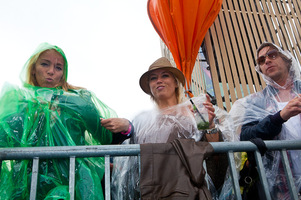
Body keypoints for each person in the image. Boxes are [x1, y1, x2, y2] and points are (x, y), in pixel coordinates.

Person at [0, 42, 133, 200]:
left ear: (63, 73)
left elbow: (105, 135)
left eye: (58, 67)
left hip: (74, 183)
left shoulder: (77, 101)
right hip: (29, 183)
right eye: (45, 64)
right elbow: (5, 140)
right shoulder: (19, 101)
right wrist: (33, 120)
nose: (51, 72)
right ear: (33, 69)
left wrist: (127, 126)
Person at [111, 57, 236, 199]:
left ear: (176, 82)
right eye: (153, 78)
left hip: (188, 189)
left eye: (165, 75)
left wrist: (210, 125)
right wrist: (125, 127)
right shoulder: (141, 120)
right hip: (150, 190)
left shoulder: (194, 109)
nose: (159, 80)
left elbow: (213, 148)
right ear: (150, 87)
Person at [229, 42, 301, 199]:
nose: (267, 61)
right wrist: (279, 117)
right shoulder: (256, 102)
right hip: (281, 187)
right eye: (261, 60)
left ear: (287, 60)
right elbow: (246, 136)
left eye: (272, 55)